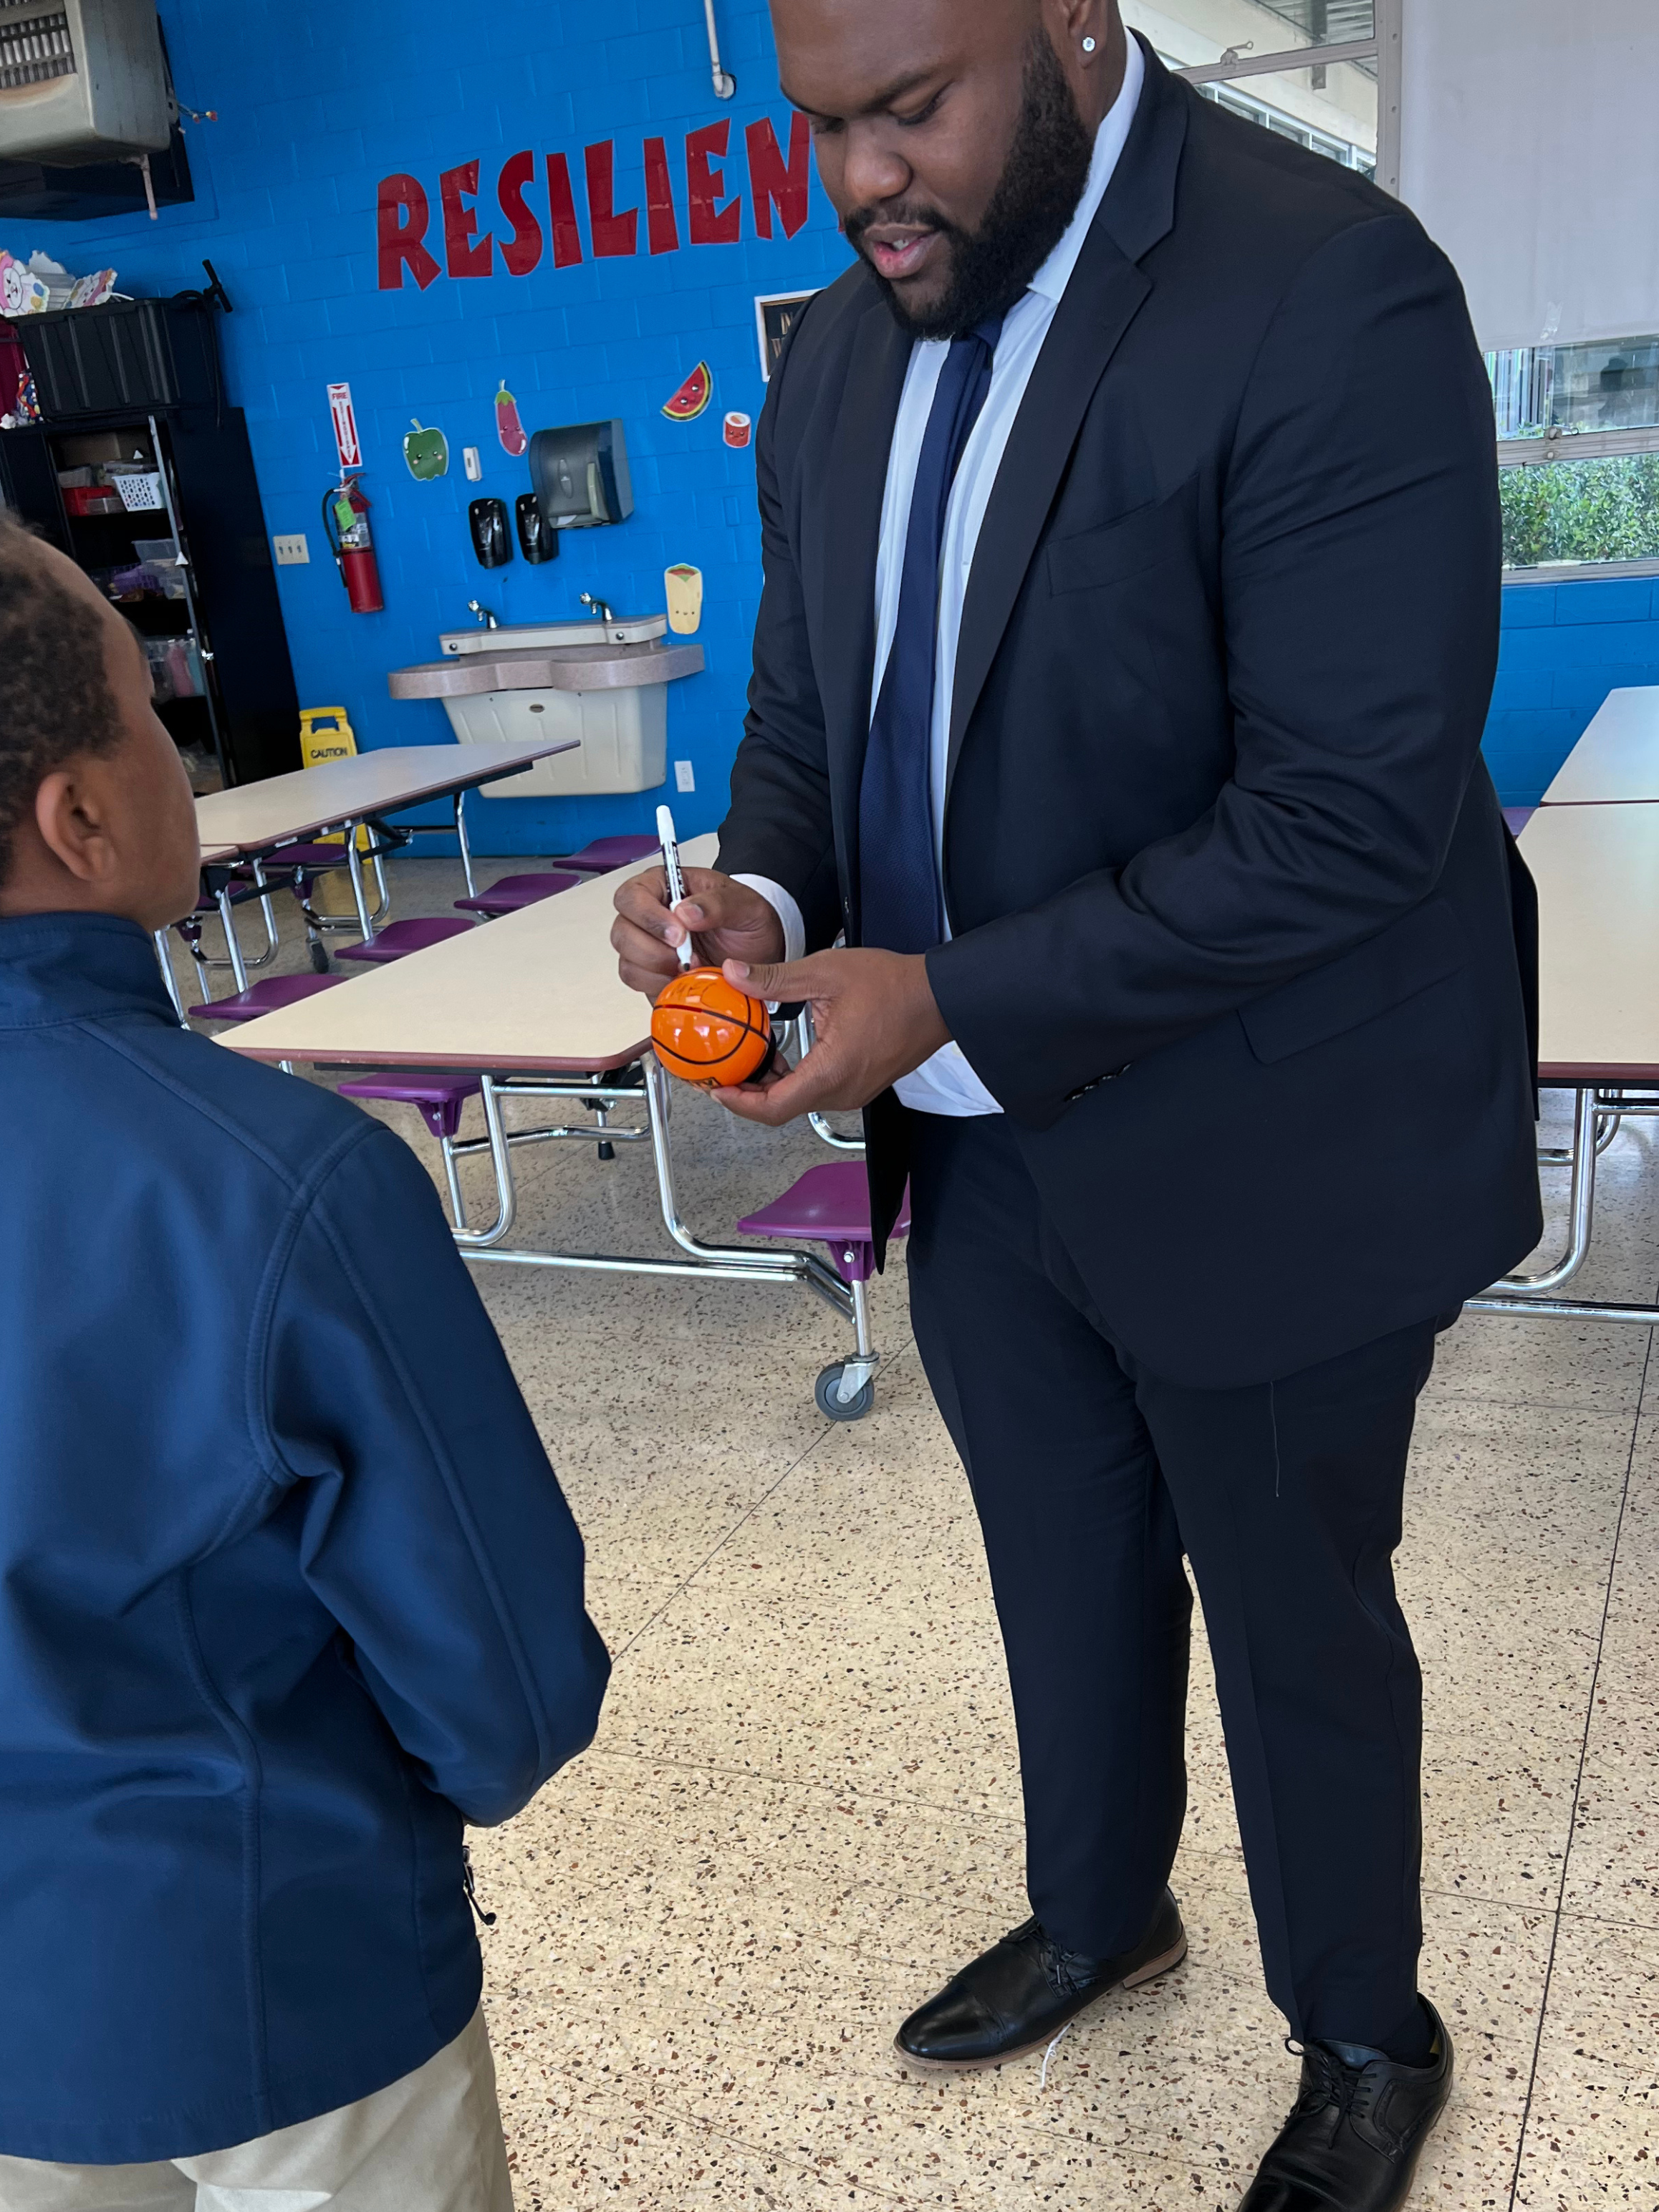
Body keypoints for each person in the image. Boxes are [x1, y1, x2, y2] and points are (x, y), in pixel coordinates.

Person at [612, 1, 1541, 2204]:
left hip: (1265, 1133)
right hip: (984, 1147)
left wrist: (939, 988)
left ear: (1070, 27)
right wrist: (750, 899)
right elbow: (806, 709)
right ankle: (1103, 1909)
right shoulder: (837, 353)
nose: (855, 182)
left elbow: (1345, 817)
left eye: (907, 108)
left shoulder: (1324, 286)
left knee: (1299, 1617)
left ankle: (1356, 2028)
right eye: (818, 125)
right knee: (1061, 1564)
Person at [0, 512, 610, 2204]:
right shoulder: (282, 1180)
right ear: (83, 811)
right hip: (275, 1980)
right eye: (151, 710)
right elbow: (505, 1690)